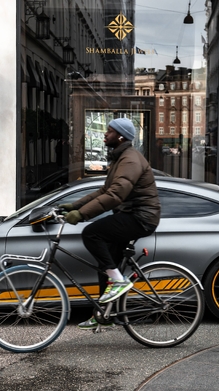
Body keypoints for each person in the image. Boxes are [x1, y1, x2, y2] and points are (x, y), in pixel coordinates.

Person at [60, 118, 161, 330]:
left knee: (91, 233)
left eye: (110, 131)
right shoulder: (120, 158)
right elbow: (104, 191)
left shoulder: (130, 160)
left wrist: (82, 215)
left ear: (121, 136)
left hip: (140, 217)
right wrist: (74, 206)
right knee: (105, 266)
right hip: (132, 214)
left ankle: (119, 282)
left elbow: (115, 195)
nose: (105, 135)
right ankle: (103, 314)